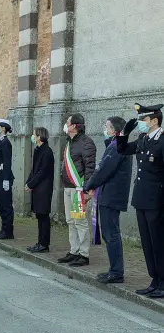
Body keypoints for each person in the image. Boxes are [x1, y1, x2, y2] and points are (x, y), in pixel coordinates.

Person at [117, 103, 164, 298]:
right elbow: (123, 150)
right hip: (141, 199)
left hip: (157, 200)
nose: (141, 123)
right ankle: (154, 278)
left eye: (143, 120)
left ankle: (163, 281)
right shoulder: (144, 138)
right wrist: (123, 134)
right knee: (147, 242)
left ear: (154, 120)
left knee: (159, 242)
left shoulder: (162, 141)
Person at [83, 117, 133, 284]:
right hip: (109, 195)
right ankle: (114, 269)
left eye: (107, 127)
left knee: (111, 234)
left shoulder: (117, 146)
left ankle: (117, 272)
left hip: (111, 196)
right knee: (110, 234)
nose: (104, 128)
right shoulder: (115, 145)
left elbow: (104, 170)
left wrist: (88, 186)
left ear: (114, 130)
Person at [58, 113, 96, 266]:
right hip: (68, 187)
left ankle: (84, 254)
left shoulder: (86, 143)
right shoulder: (69, 142)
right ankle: (74, 250)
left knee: (80, 222)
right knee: (70, 220)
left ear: (74, 126)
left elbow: (90, 168)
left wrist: (88, 189)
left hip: (79, 189)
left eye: (67, 122)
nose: (65, 124)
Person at [25, 127, 55, 253]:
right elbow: (34, 170)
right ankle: (40, 241)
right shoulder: (38, 150)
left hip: (44, 187)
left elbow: (42, 172)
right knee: (39, 215)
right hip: (37, 187)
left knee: (43, 215)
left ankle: (44, 243)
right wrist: (29, 182)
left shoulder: (47, 152)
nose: (32, 137)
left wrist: (31, 184)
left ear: (39, 137)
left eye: (34, 135)